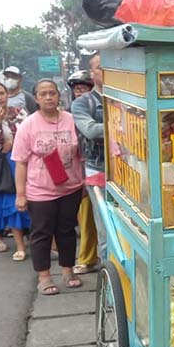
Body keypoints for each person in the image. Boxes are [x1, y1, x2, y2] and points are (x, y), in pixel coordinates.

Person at [13, 79, 84, 295]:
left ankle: (68, 271)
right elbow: (21, 162)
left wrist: (84, 183)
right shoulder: (28, 125)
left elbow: (81, 154)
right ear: (36, 98)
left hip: (71, 188)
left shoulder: (72, 120)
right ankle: (44, 277)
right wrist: (21, 194)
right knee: (41, 233)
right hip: (40, 191)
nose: (48, 97)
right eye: (43, 94)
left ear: (58, 96)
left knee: (67, 231)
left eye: (52, 93)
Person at [0, 82, 30, 260]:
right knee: (12, 204)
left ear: (7, 94)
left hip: (26, 161)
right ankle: (20, 246)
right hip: (7, 166)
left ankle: (39, 240)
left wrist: (13, 141)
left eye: (2, 93)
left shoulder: (19, 113)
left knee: (35, 201)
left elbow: (29, 135)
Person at [71, 54, 107, 267]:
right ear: (92, 74)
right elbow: (91, 130)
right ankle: (109, 275)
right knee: (106, 229)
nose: (106, 70)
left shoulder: (127, 97)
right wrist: (126, 127)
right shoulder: (83, 103)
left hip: (129, 171)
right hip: (99, 170)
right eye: (101, 67)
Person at [67, 68, 99, 274]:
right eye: (76, 89)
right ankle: (87, 258)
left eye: (83, 88)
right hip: (76, 169)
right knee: (84, 216)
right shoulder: (69, 113)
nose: (79, 92)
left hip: (95, 165)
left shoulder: (98, 108)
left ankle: (89, 258)